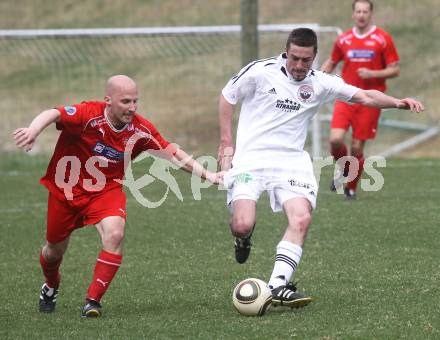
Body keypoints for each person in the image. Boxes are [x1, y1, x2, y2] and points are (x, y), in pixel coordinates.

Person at [217, 28, 423, 307]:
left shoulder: (322, 82)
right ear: (286, 52)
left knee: (301, 219)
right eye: (295, 58)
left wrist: (398, 102)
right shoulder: (260, 71)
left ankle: (278, 286)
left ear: (315, 57)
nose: (300, 65)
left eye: (306, 60)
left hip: (291, 162)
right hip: (250, 159)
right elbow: (228, 96)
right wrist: (227, 142)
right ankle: (243, 239)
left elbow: (365, 96)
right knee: (242, 224)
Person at [13, 75, 223, 318]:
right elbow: (54, 113)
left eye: (135, 101)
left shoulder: (140, 130)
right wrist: (32, 130)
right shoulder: (88, 114)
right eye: (125, 101)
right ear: (108, 100)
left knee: (115, 233)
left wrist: (208, 175)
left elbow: (172, 153)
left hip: (106, 191)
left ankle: (92, 301)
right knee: (53, 251)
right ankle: (51, 285)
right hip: (66, 190)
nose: (132, 108)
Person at [320, 0, 400, 199]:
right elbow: (332, 62)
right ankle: (347, 169)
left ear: (371, 14)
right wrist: (316, 77)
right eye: (358, 11)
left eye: (365, 11)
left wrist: (373, 73)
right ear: (353, 14)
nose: (362, 15)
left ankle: (351, 188)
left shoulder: (383, 38)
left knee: (357, 146)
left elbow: (395, 69)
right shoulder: (344, 39)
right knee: (335, 139)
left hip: (371, 100)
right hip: (346, 96)